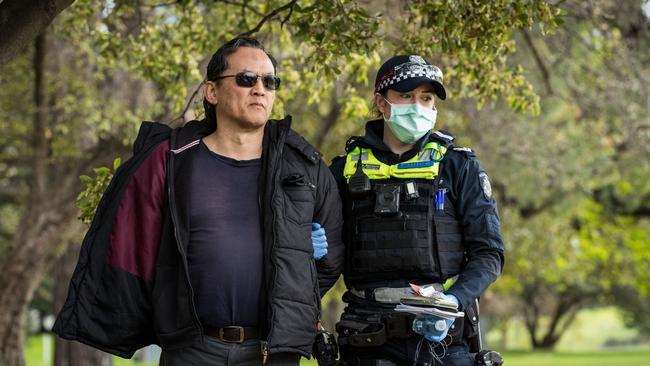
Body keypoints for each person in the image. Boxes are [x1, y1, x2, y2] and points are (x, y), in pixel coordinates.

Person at [53, 37, 344, 366]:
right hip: (191, 348)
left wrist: (288, 292)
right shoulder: (171, 160)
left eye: (270, 81)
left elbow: (331, 256)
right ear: (212, 92)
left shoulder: (304, 164)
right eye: (247, 79)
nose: (260, 89)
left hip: (270, 351)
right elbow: (134, 243)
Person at [329, 55, 505, 366]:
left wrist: (454, 300)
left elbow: (489, 253)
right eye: (407, 96)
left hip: (442, 336)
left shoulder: (457, 166)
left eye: (426, 98)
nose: (418, 106)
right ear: (383, 104)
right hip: (366, 332)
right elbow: (321, 253)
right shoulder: (344, 169)